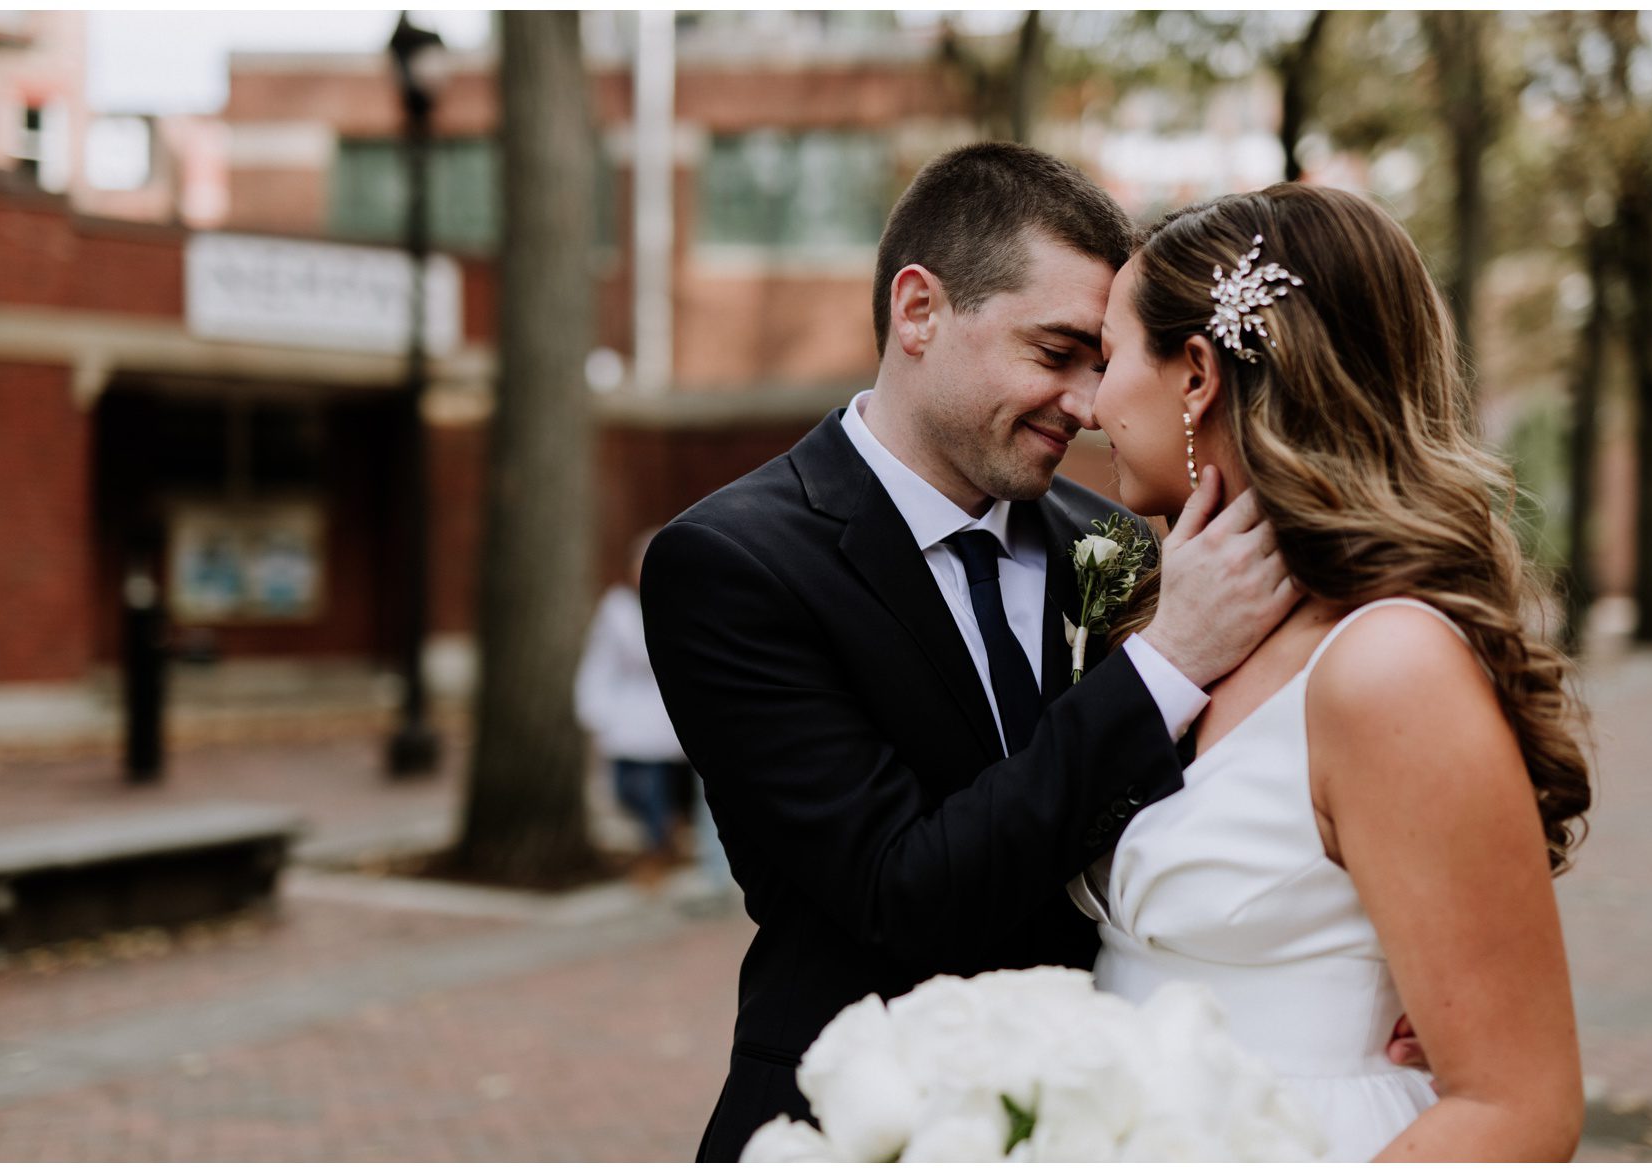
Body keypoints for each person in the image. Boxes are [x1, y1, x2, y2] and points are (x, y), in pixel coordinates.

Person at [641, 142, 1301, 1162]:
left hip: (1110, 1116)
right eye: (1054, 352)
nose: (1086, 403)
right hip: (863, 1124)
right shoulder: (732, 564)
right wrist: (1159, 667)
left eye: (1102, 361)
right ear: (919, 312)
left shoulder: (1116, 546)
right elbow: (901, 891)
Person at [1079, 182, 1592, 1159]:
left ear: (1196, 376)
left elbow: (1519, 1108)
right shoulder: (1165, 623)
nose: (1091, 405)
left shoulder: (1385, 665)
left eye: (1106, 358)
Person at [575, 529, 694, 881]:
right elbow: (601, 658)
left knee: (657, 786)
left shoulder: (681, 604)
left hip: (667, 709)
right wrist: (593, 705)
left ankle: (658, 849)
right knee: (625, 788)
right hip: (630, 711)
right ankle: (663, 838)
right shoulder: (617, 608)